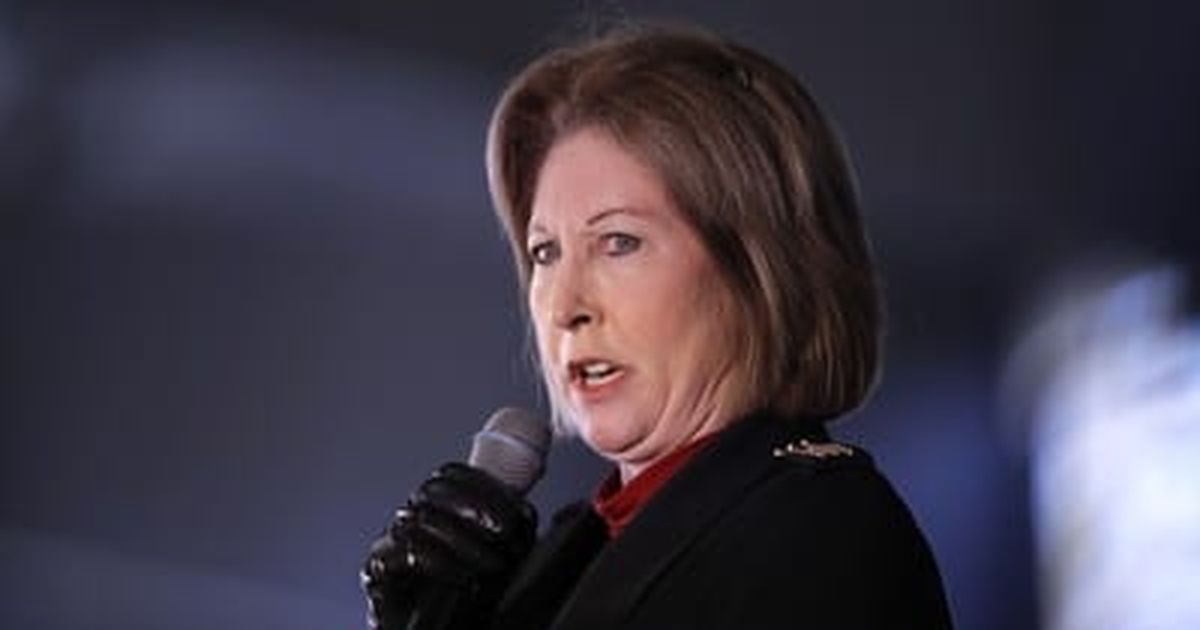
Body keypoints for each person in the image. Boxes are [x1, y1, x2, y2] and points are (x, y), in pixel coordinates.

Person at [362, 22, 953, 630]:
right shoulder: (567, 553)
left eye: (619, 242)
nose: (565, 306)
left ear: (759, 270)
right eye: (545, 253)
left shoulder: (823, 531)